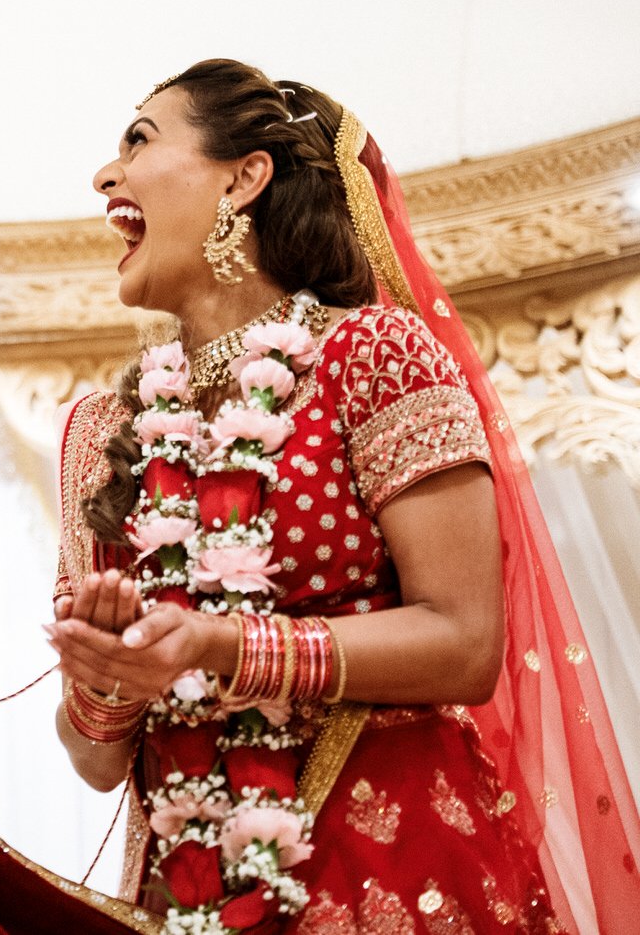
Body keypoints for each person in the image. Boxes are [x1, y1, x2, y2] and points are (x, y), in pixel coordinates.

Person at [45, 60, 640, 932]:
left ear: (245, 177)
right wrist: (105, 683)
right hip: (184, 886)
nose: (106, 174)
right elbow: (98, 765)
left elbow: (466, 641)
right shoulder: (102, 432)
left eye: (139, 140)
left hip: (392, 866)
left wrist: (219, 643)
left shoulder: (374, 355)